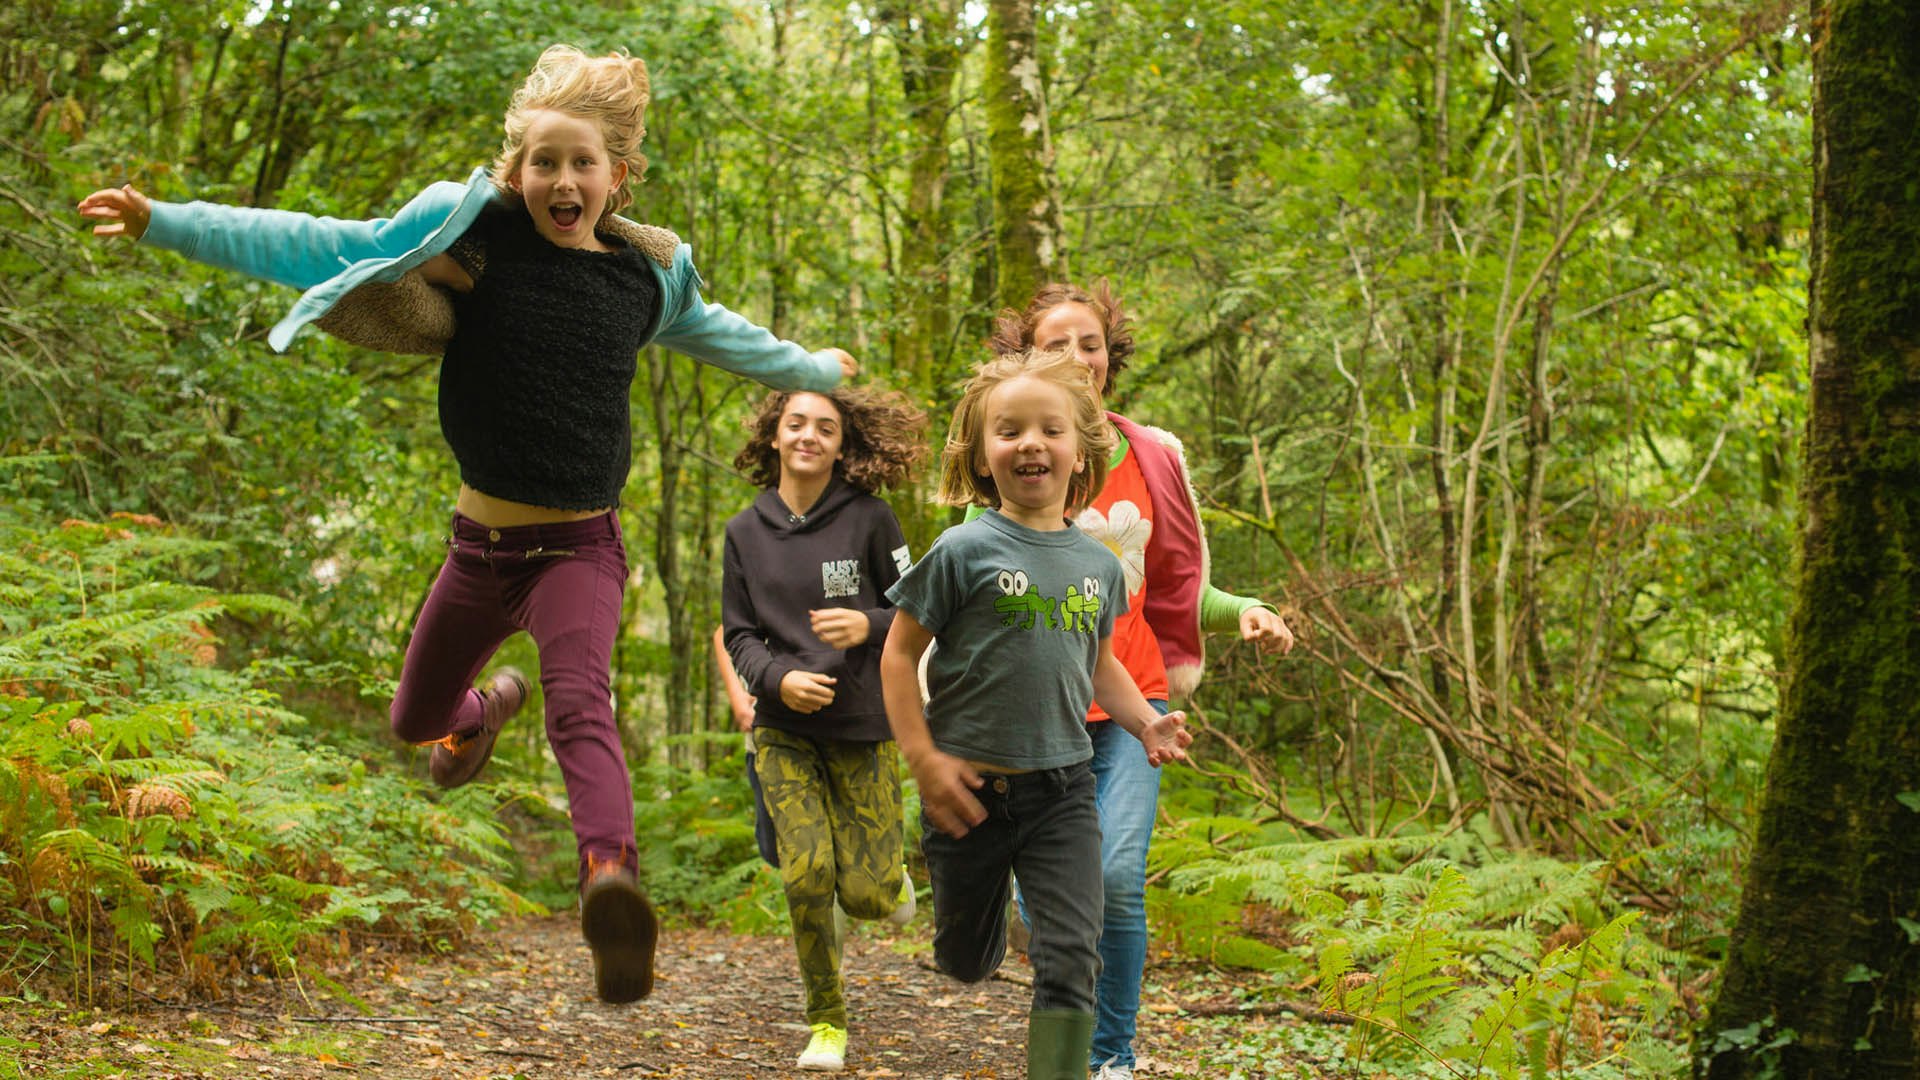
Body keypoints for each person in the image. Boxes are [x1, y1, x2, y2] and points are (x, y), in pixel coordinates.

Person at [78, 44, 857, 1007]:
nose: (562, 180)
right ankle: (485, 710)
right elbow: (315, 242)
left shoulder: (646, 281)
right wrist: (166, 222)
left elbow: (742, 342)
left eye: (582, 163)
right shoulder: (475, 244)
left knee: (584, 702)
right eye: (543, 162)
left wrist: (815, 371)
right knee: (415, 720)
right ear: (515, 171)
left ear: (619, 174)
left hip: (579, 547)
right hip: (478, 550)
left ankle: (609, 883)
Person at [991, 281, 1295, 1078]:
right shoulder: (1009, 453)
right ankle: (1061, 1025)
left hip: (1135, 702)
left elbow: (1171, 585)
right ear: (1026, 358)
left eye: (1088, 343)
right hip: (1035, 706)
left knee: (1118, 875)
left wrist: (1247, 611)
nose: (1075, 358)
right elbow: (966, 582)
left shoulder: (1149, 456)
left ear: (1109, 357)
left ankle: (1111, 1056)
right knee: (1047, 901)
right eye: (1054, 344)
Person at [879, 348, 1193, 1080]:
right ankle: (978, 936)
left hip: (1062, 790)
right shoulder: (962, 550)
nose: (1030, 443)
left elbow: (1098, 663)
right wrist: (924, 760)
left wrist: (1146, 722)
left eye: (1050, 430)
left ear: (1080, 451)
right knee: (961, 961)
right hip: (969, 797)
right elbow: (897, 658)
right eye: (1009, 429)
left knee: (1071, 956)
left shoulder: (1097, 565)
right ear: (983, 454)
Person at [720, 386, 925, 1072]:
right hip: (782, 729)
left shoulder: (871, 520)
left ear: (843, 444)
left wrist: (868, 622)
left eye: (826, 428)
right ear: (774, 435)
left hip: (863, 723)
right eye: (797, 423)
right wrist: (776, 681)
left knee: (866, 895)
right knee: (806, 874)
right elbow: (739, 634)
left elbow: (919, 610)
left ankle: (890, 881)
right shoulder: (743, 531)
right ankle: (826, 1023)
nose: (809, 435)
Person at [712, 625, 782, 869]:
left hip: (835, 733)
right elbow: (724, 631)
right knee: (776, 851)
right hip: (761, 742)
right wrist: (737, 695)